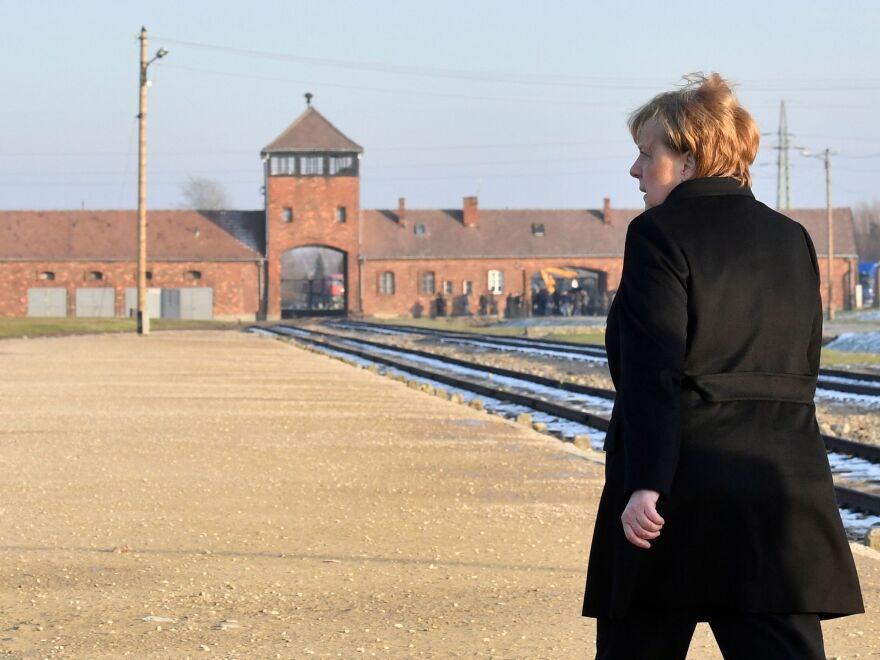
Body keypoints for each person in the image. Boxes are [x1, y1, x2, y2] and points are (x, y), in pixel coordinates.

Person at [581, 73, 863, 659]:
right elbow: (802, 366)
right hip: (777, 492)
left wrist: (646, 483)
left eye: (645, 153)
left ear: (687, 159)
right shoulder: (794, 238)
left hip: (679, 489)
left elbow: (652, 369)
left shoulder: (657, 234)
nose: (635, 170)